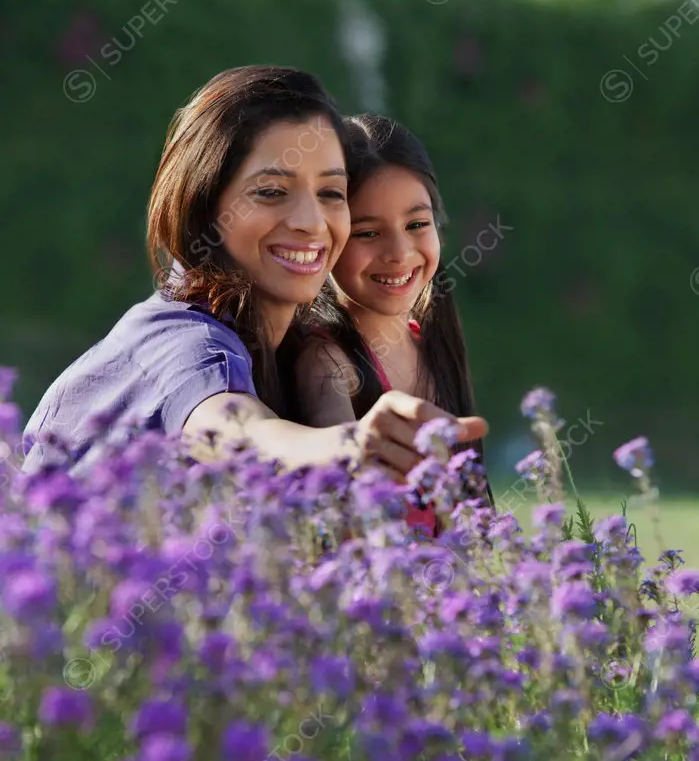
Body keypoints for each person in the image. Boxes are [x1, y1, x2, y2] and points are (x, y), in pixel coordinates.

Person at [21, 69, 487, 478]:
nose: (310, 221)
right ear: (203, 207)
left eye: (331, 192)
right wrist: (345, 446)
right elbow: (233, 426)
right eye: (269, 191)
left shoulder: (281, 349)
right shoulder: (184, 340)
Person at [283, 114, 493, 530]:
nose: (399, 252)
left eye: (417, 224)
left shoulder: (433, 342)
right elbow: (345, 487)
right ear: (327, 237)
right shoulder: (327, 361)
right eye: (367, 233)